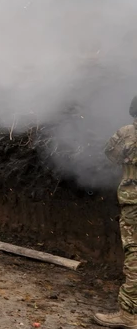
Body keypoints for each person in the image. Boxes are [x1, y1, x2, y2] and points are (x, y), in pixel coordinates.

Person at [94, 96, 137, 328]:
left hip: (134, 206)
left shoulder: (128, 133)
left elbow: (110, 155)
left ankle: (129, 315)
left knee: (135, 256)